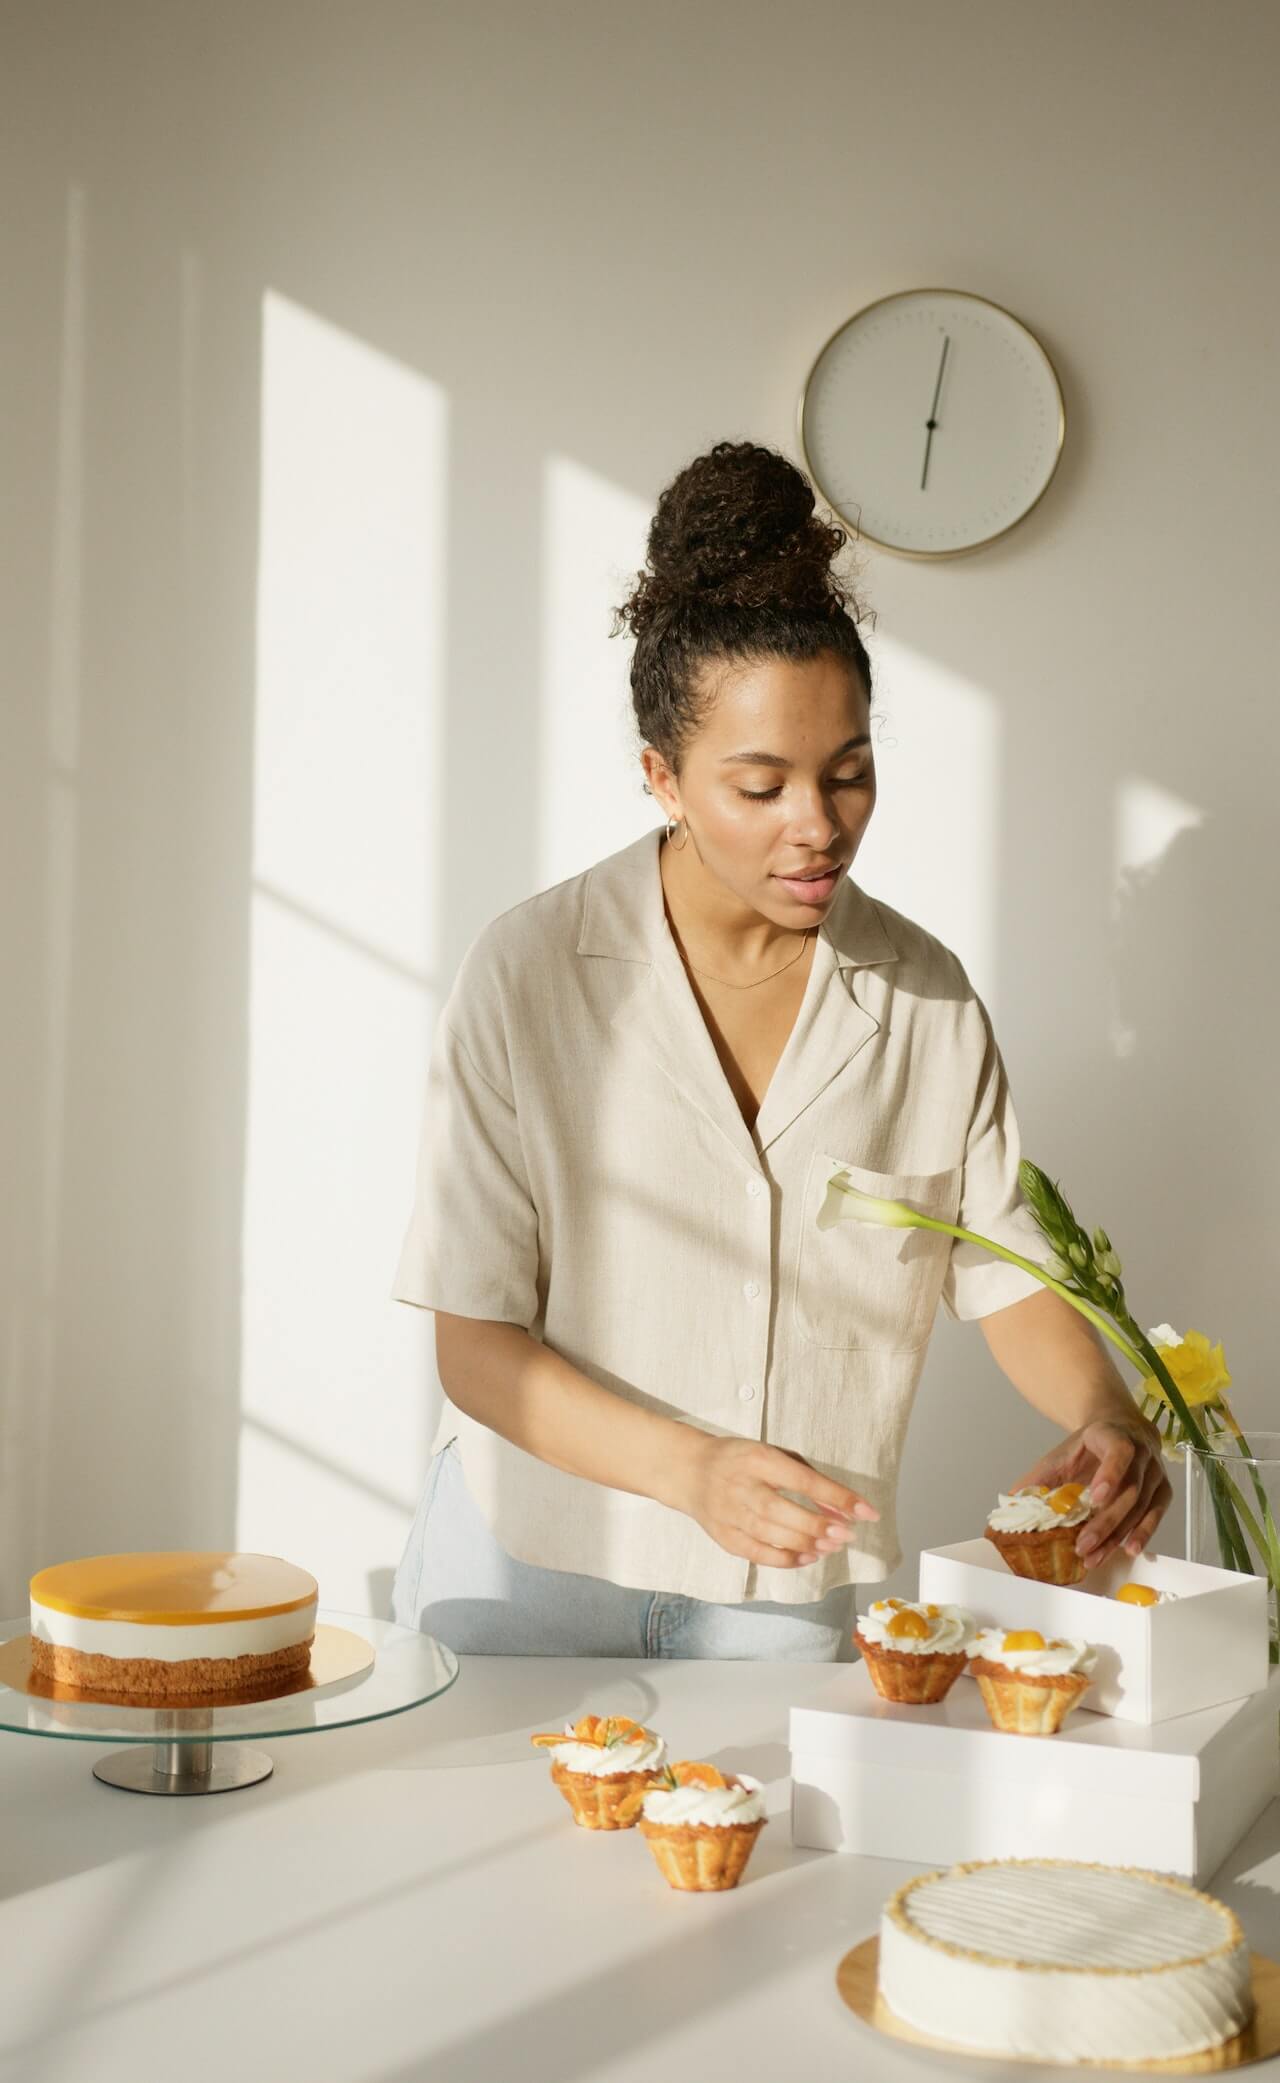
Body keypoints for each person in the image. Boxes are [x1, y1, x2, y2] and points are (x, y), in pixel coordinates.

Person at [388, 439, 1170, 1662]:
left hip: (783, 1598)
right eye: (758, 787)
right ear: (662, 777)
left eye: (847, 774)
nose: (816, 827)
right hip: (520, 1574)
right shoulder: (528, 973)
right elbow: (474, 1346)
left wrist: (1103, 1411)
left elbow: (1009, 1272)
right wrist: (689, 1468)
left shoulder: (926, 1003)